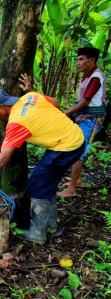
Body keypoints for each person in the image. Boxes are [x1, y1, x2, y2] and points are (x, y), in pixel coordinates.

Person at [0, 74, 85, 244]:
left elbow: (4, 156)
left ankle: (37, 234)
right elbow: (56, 103)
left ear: (0, 106)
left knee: (37, 185)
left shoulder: (16, 123)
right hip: (73, 137)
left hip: (66, 146)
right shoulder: (30, 96)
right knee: (46, 181)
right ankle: (49, 225)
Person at [57, 47, 107, 198]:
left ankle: (71, 189)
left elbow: (86, 101)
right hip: (85, 118)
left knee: (78, 151)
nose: (78, 63)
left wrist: (66, 113)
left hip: (91, 120)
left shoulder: (96, 77)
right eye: (77, 59)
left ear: (92, 60)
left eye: (81, 59)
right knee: (78, 147)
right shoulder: (88, 75)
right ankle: (78, 180)